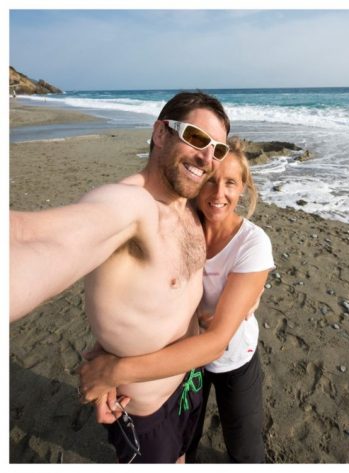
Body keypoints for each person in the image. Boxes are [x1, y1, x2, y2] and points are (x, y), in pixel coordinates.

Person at [9, 91, 231, 462]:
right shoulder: (132, 206)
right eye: (196, 137)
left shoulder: (188, 205)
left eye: (218, 149)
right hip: (144, 409)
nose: (208, 157)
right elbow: (36, 239)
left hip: (191, 384)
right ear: (161, 133)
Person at [79, 137, 274, 463]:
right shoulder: (185, 223)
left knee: (245, 448)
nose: (218, 193)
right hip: (184, 364)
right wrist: (104, 353)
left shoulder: (252, 245)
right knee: (186, 444)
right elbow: (138, 298)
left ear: (243, 189)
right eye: (210, 180)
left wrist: (113, 372)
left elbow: (217, 340)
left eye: (230, 183)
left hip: (235, 360)